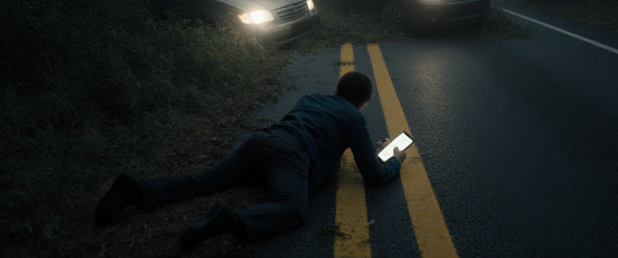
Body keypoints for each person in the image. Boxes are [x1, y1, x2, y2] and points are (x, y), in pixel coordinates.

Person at [93, 71, 407, 252]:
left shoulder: (311, 98)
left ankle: (135, 189)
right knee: (293, 209)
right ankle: (232, 220)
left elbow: (321, 128)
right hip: (290, 155)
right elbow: (374, 176)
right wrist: (394, 159)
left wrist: (361, 145)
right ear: (363, 104)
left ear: (336, 89)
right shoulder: (354, 116)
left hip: (262, 142)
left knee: (206, 180)